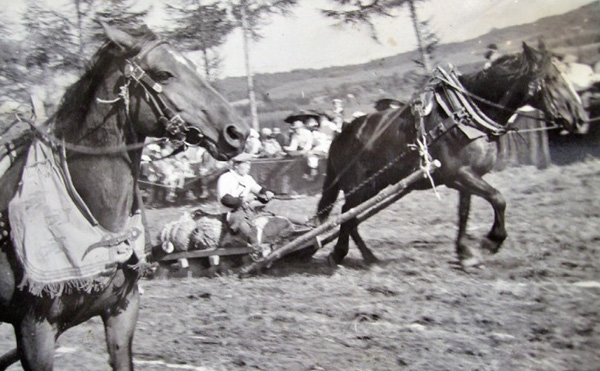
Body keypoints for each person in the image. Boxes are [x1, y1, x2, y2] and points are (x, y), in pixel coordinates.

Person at [217, 152, 275, 249]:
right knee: (247, 230)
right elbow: (225, 200)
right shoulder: (225, 178)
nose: (249, 167)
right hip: (231, 213)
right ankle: (255, 248)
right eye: (246, 164)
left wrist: (267, 193)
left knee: (267, 221)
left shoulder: (247, 178)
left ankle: (266, 242)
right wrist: (244, 199)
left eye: (249, 164)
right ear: (236, 166)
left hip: (248, 211)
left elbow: (258, 189)